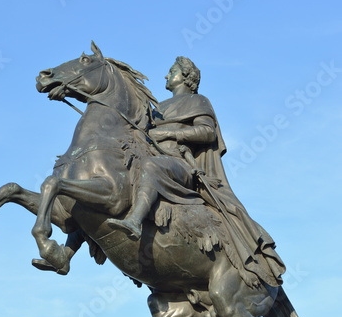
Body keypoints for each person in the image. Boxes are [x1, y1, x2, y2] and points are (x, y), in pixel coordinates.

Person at [107, 56, 285, 287]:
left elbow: (207, 132)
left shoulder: (198, 100)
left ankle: (134, 221)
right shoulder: (158, 107)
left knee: (151, 167)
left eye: (172, 71)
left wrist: (171, 134)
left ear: (186, 77)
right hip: (153, 156)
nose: (166, 76)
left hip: (179, 164)